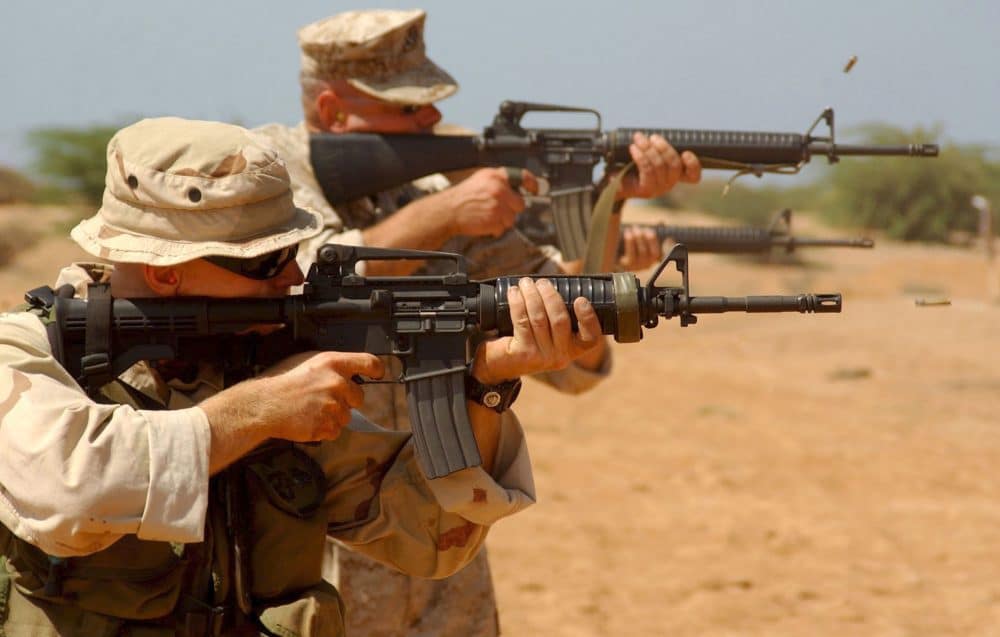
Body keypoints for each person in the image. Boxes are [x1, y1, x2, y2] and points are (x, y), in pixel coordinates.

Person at [0, 117, 606, 636]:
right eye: (268, 260)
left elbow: (429, 538)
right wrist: (260, 410)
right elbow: (74, 493)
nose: (294, 277)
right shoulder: (30, 351)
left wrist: (483, 387)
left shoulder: (254, 362)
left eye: (295, 250)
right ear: (166, 274)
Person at [254, 9, 702, 636]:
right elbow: (304, 287)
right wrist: (441, 214)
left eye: (430, 104)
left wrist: (614, 199)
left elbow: (561, 304)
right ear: (332, 112)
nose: (430, 119)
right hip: (324, 534)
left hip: (443, 526)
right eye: (408, 109)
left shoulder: (434, 185)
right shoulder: (260, 176)